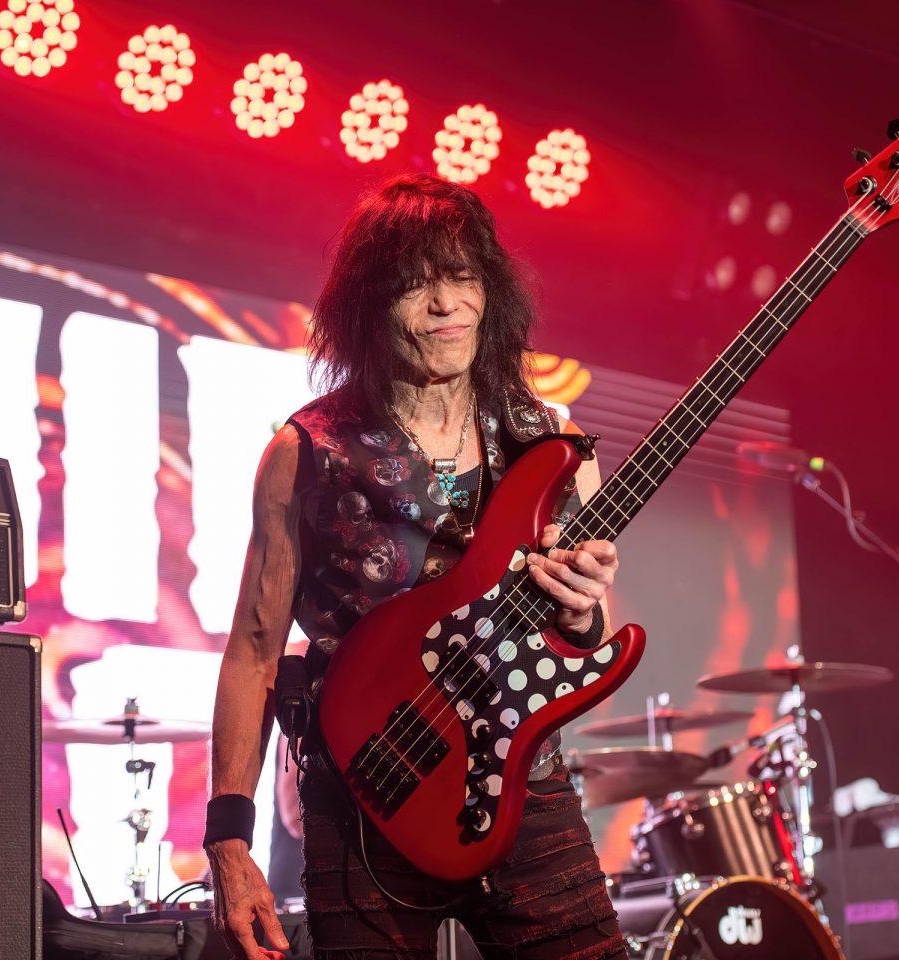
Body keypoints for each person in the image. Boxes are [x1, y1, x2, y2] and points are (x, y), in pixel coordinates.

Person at [204, 173, 627, 960]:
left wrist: (580, 608)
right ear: (368, 306)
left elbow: (587, 629)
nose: (446, 305)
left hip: (520, 786)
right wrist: (228, 839)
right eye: (415, 285)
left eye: (463, 277)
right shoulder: (307, 453)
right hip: (369, 797)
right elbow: (254, 653)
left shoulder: (553, 446)